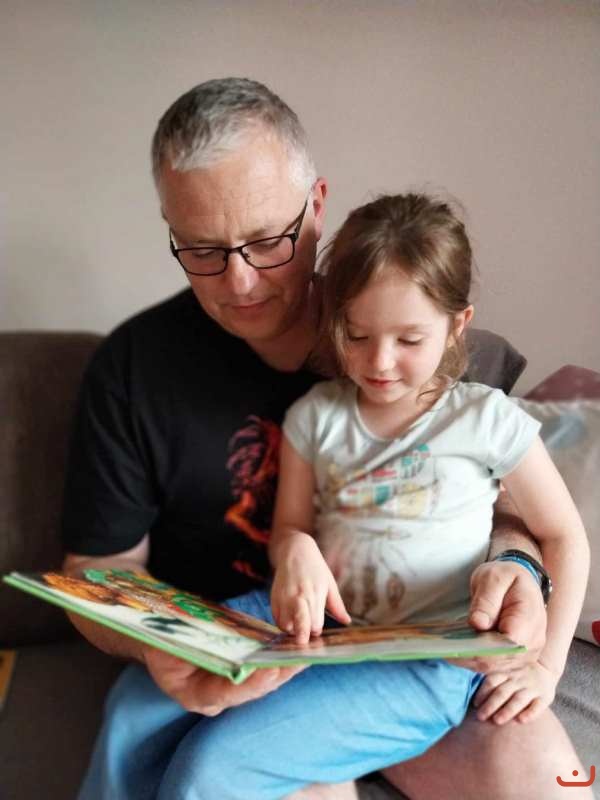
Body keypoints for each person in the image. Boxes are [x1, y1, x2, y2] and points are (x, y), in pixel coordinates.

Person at [60, 78, 584, 800]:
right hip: (252, 637)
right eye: (203, 248)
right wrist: (161, 644)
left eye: (266, 241)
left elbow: (523, 516)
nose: (240, 280)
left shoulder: (426, 334)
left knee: (555, 786)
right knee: (163, 738)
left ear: (316, 206)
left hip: (426, 649)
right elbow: (97, 568)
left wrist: (518, 568)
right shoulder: (133, 369)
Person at [268, 193, 589, 751]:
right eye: (357, 334)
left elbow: (565, 536)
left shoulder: (486, 418)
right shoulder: (315, 416)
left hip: (437, 661)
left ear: (458, 324)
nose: (379, 361)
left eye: (409, 339)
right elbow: (289, 528)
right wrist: (294, 546)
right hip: (328, 638)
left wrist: (547, 667)